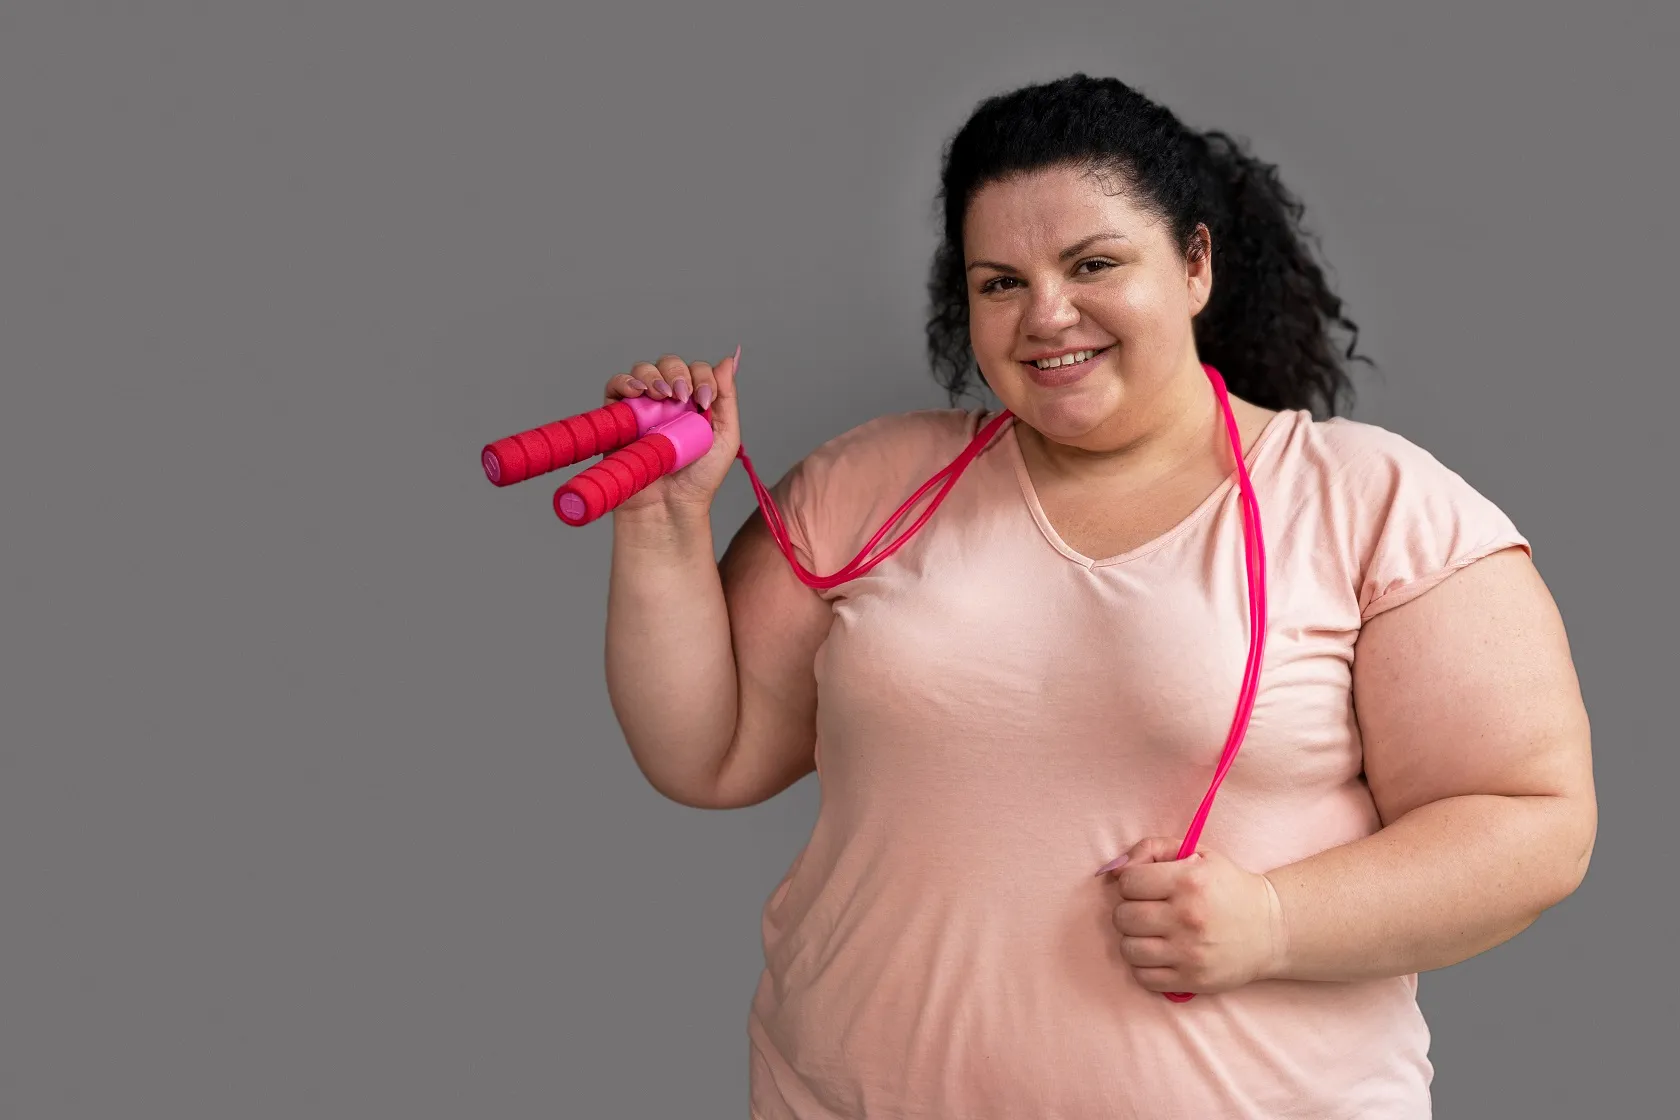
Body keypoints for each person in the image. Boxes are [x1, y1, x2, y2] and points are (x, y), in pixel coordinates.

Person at [597, 74, 1596, 1119]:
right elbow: (708, 752)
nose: (1047, 315)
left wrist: (1273, 921)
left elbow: (1534, 824)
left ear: (1195, 263)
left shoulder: (1374, 504)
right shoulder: (868, 485)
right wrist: (664, 524)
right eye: (1000, 282)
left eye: (1094, 264)